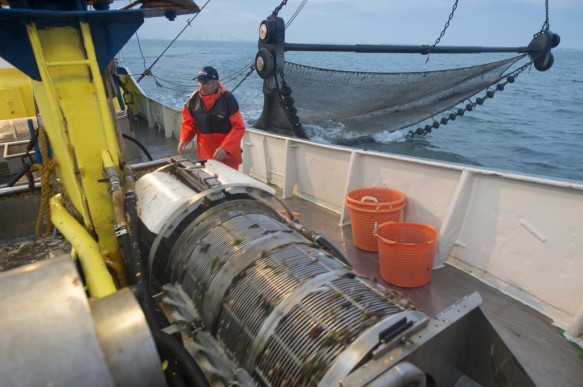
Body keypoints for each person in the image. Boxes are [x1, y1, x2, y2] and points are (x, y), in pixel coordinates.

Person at [177, 66, 245, 169]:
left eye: (205, 83)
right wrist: (184, 138)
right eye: (199, 82)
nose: (201, 86)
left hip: (227, 155)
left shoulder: (229, 100)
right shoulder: (193, 100)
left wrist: (225, 147)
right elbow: (189, 123)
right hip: (205, 156)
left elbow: (239, 127)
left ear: (216, 84)